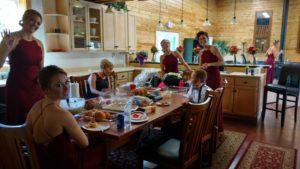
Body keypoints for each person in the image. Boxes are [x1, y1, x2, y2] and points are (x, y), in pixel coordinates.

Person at [26, 65, 107, 169]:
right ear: (45, 90)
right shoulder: (62, 114)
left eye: (67, 82)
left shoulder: (35, 107)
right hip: (64, 163)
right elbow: (84, 143)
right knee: (101, 142)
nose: (66, 88)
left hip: (43, 161)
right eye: (59, 85)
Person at [0, 9, 45, 125]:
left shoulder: (39, 43)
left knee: (38, 119)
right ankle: (16, 143)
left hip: (36, 87)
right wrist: (7, 49)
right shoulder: (11, 38)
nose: (35, 24)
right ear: (23, 20)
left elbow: (41, 68)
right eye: (32, 20)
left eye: (38, 23)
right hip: (18, 88)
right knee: (19, 121)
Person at [162, 69, 210, 139]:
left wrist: (187, 106)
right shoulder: (195, 87)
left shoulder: (204, 91)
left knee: (165, 129)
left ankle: (181, 143)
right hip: (199, 118)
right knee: (180, 117)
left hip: (198, 120)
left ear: (198, 81)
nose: (190, 80)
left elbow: (200, 106)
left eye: (192, 78)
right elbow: (188, 96)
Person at [197, 31, 224, 132]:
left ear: (208, 39)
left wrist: (209, 64)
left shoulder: (214, 48)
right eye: (200, 39)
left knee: (215, 100)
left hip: (214, 76)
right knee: (206, 99)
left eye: (204, 38)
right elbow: (199, 65)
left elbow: (221, 61)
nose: (202, 40)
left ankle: (217, 126)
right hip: (205, 78)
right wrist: (202, 67)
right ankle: (207, 126)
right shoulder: (201, 51)